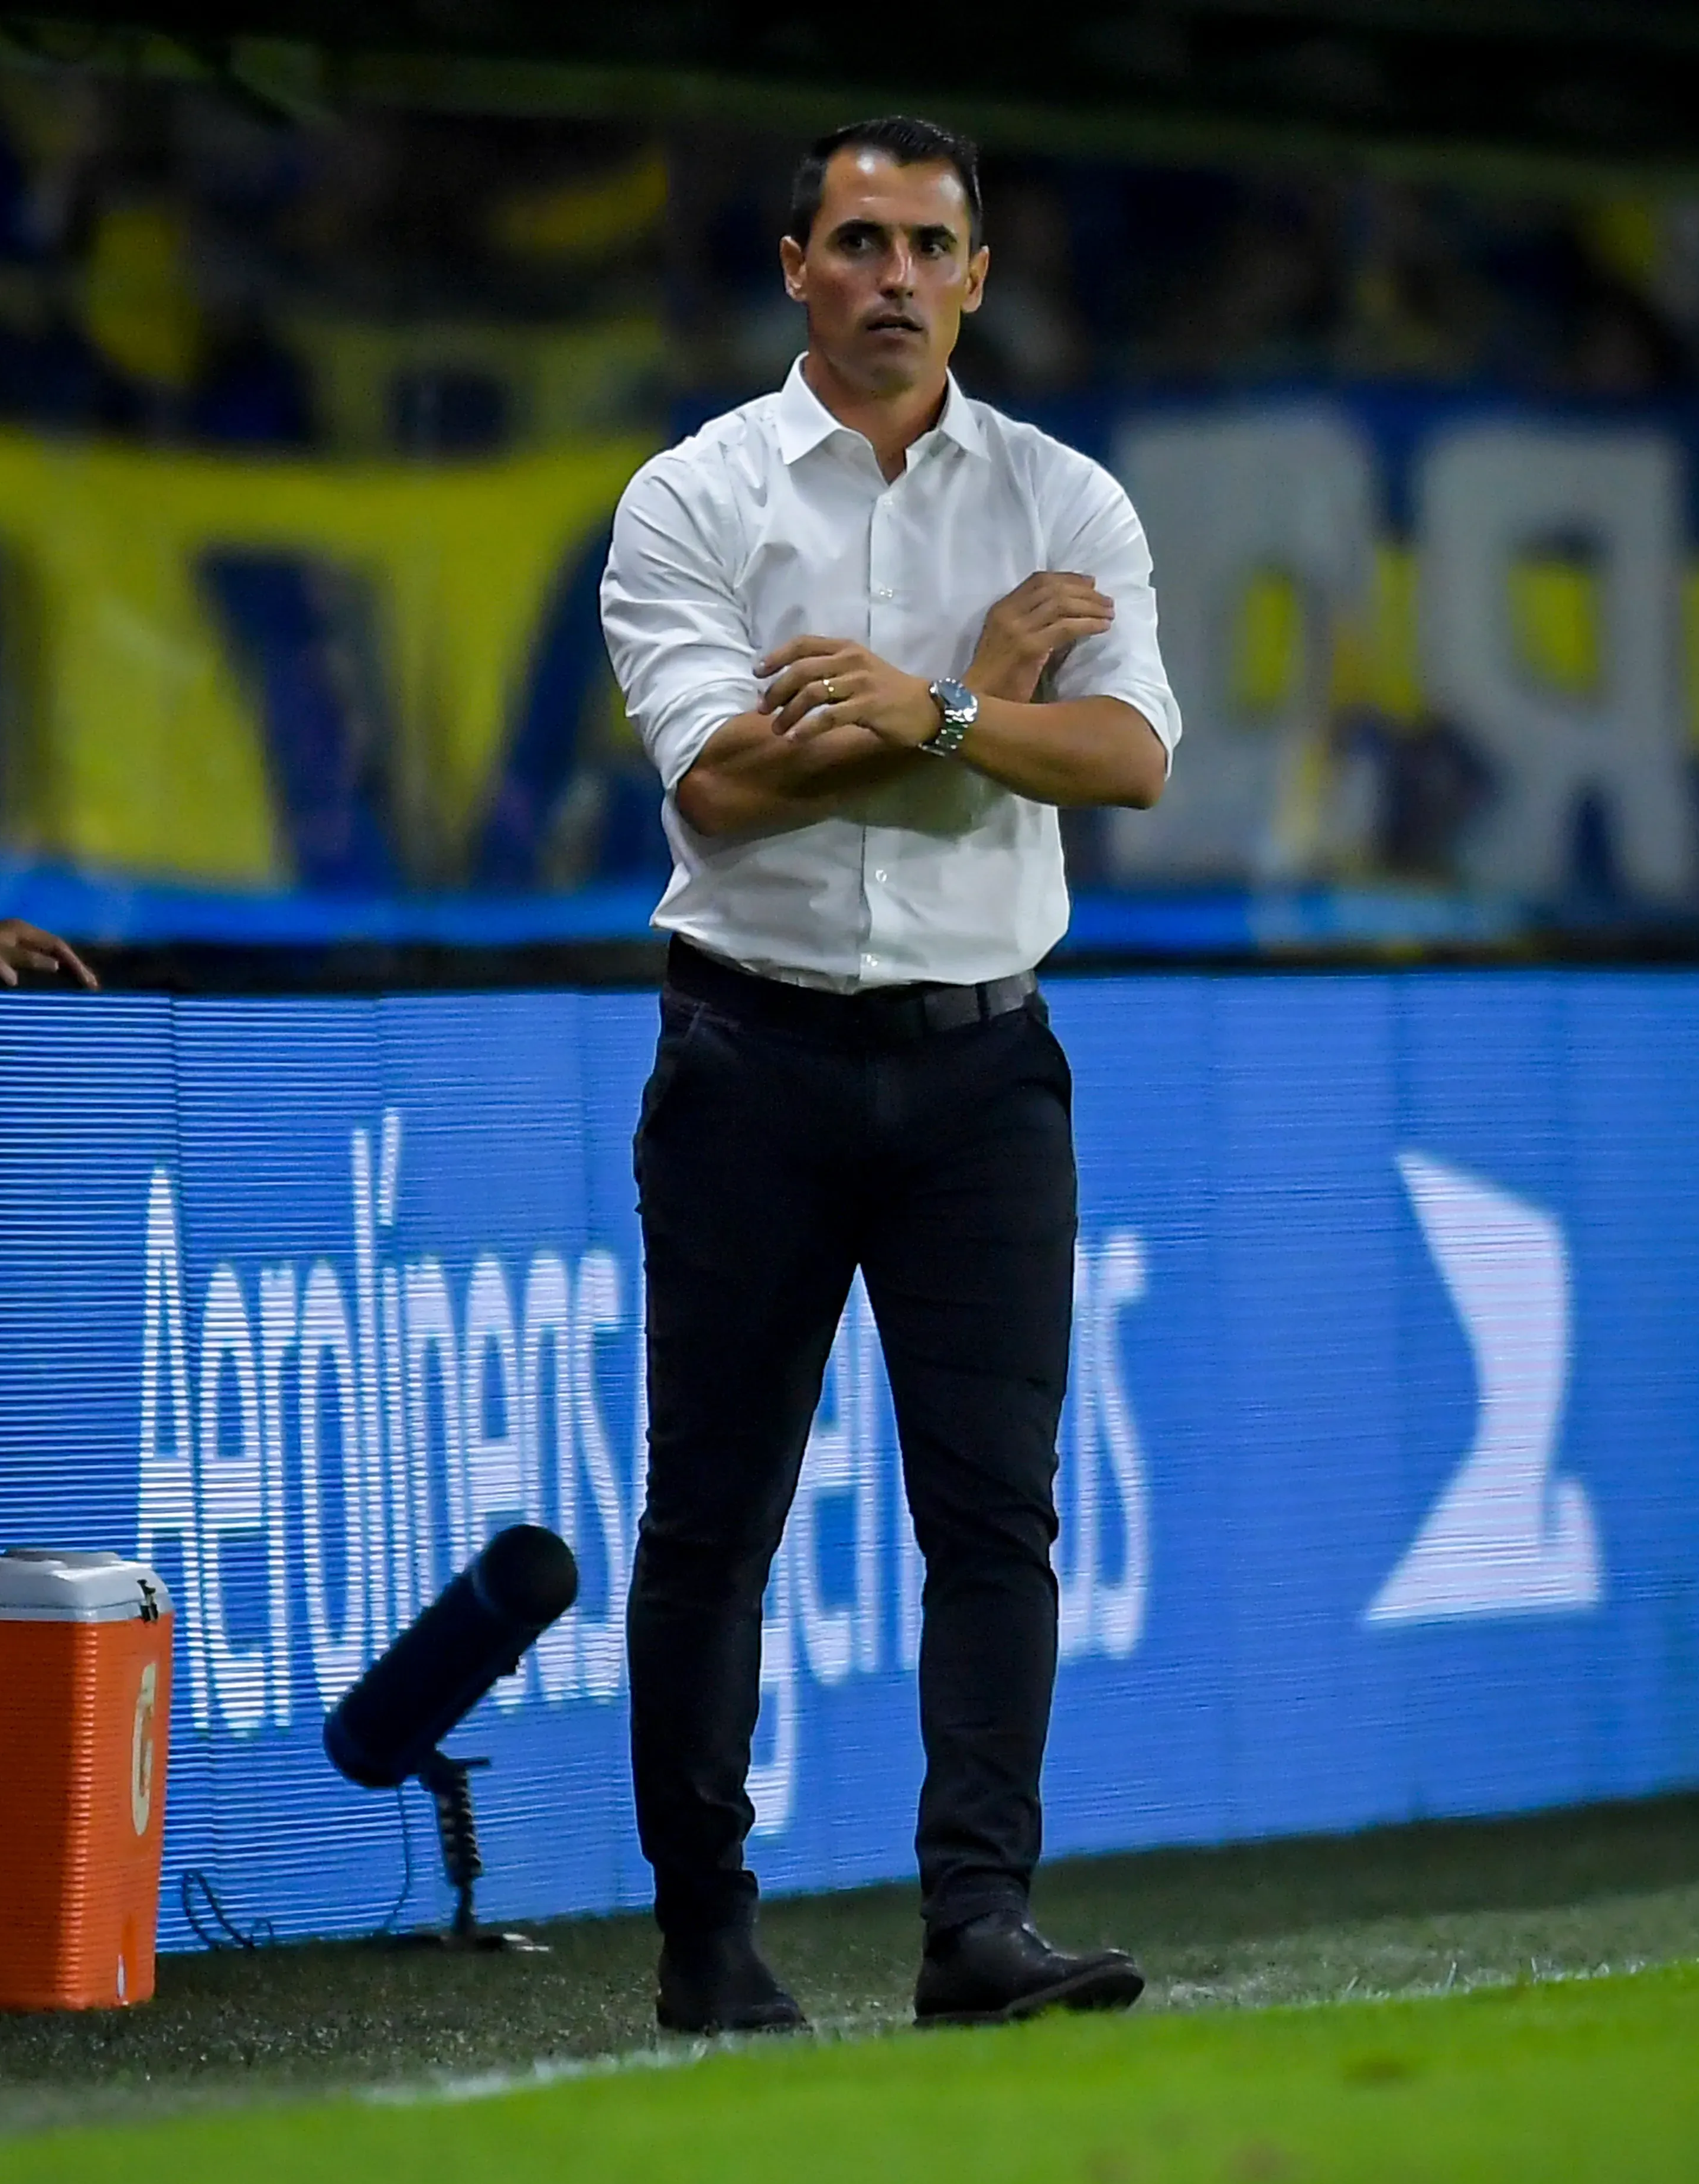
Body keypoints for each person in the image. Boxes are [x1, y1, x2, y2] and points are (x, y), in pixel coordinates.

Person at [600, 114, 1179, 2036]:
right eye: (857, 242)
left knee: (992, 1514)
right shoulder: (690, 500)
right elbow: (719, 783)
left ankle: (976, 1923)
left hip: (977, 1067)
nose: (894, 280)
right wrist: (989, 708)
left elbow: (1128, 758)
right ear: (794, 268)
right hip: (748, 1055)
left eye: (930, 247)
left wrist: (925, 702)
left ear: (978, 279)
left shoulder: (1064, 501)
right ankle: (705, 1936)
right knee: (713, 1517)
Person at [0, 918, 96, 990]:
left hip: (59, 979)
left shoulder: (9, 929)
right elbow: (11, 979)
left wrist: (84, 972)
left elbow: (56, 944)